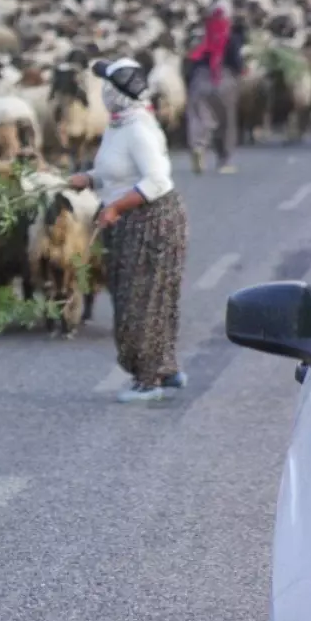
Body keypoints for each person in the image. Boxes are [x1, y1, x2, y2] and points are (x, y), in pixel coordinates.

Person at [68, 58, 190, 403]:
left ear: (118, 91)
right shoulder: (119, 125)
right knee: (137, 297)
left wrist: (116, 207)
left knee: (143, 301)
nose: (103, 92)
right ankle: (166, 370)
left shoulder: (138, 128)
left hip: (152, 222)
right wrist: (89, 179)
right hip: (129, 221)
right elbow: (117, 170)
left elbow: (156, 180)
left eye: (108, 85)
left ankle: (148, 381)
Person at [186, 0, 239, 174]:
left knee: (200, 118)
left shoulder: (200, 35)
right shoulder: (230, 36)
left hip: (200, 79)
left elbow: (191, 60)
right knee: (225, 121)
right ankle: (224, 161)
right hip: (223, 80)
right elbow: (236, 62)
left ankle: (199, 147)